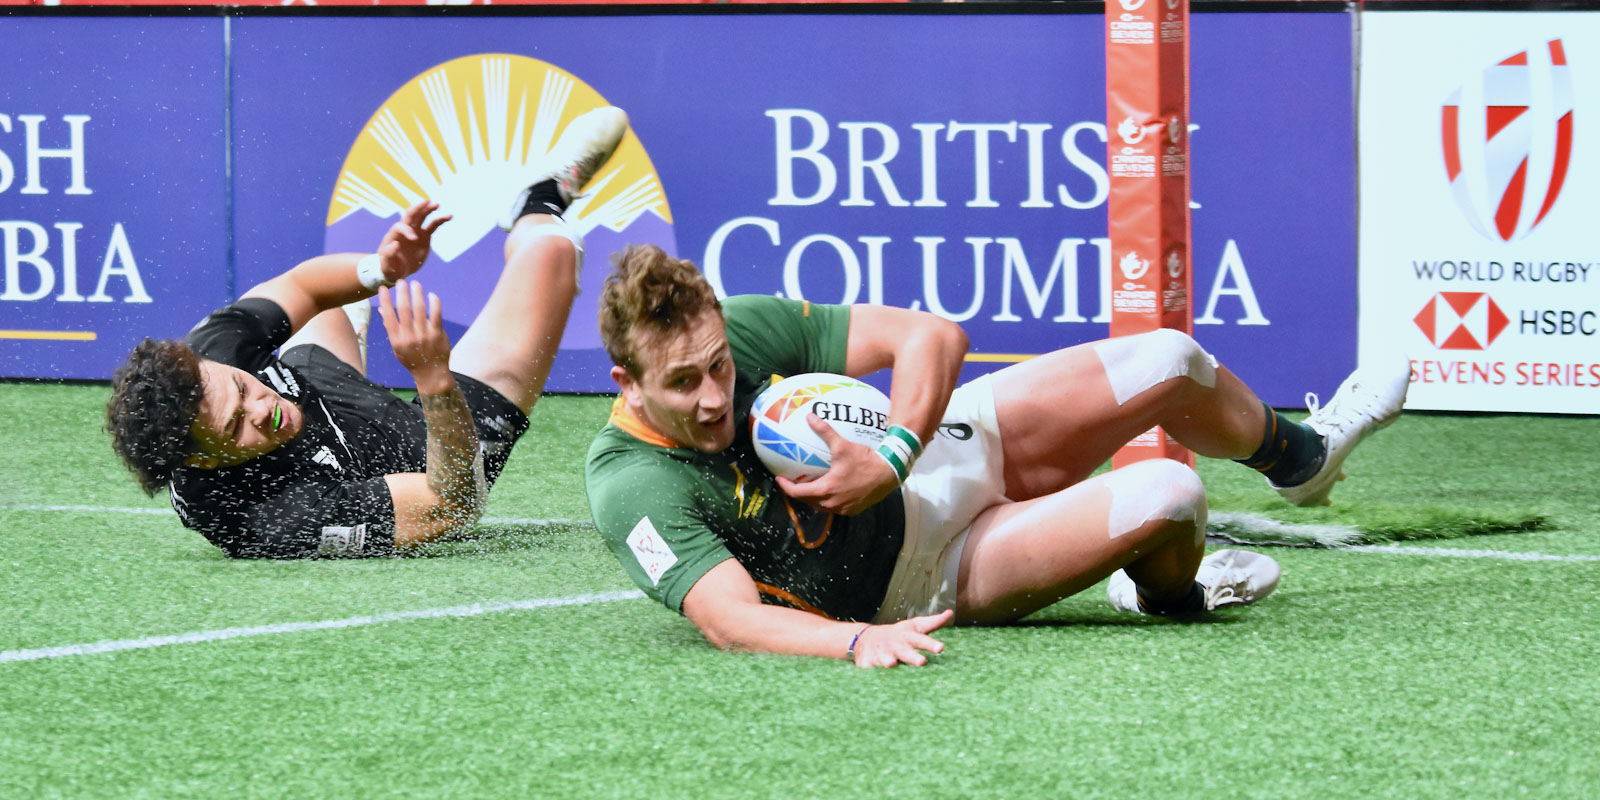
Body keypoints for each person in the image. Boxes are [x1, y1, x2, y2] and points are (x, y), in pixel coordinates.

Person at [585, 245, 1409, 667]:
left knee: (1169, 358)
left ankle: (1304, 459)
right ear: (626, 381)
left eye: (720, 365)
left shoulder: (744, 326)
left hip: (936, 447)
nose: (713, 395)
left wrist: (896, 454)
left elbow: (932, 337)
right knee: (1167, 494)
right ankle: (1164, 593)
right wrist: (853, 643)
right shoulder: (631, 484)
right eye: (683, 381)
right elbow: (729, 622)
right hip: (924, 570)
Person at [105, 106, 631, 558]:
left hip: (321, 386)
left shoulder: (209, 359)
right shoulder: (262, 518)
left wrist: (381, 270)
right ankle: (540, 198)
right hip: (431, 450)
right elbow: (452, 506)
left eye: (243, 390)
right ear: (200, 458)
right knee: (553, 252)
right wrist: (434, 381)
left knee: (320, 304)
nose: (260, 410)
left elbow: (301, 288)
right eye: (236, 425)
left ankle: (352, 317)